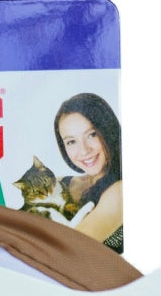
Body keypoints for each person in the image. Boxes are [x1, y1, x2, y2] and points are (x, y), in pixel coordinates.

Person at [53, 93, 124, 252]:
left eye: (92, 135)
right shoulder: (64, 183)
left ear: (108, 131)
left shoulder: (119, 192)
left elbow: (68, 250)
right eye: (71, 141)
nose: (84, 150)